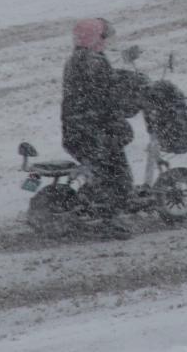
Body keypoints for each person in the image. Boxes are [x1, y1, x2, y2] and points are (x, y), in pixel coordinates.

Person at [61, 17, 149, 238]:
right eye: (104, 36)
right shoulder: (94, 62)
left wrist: (122, 78)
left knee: (105, 168)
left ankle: (99, 205)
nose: (107, 41)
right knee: (117, 175)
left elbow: (101, 85)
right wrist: (133, 101)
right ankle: (109, 220)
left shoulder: (78, 59)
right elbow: (107, 95)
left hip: (78, 129)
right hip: (96, 131)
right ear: (96, 38)